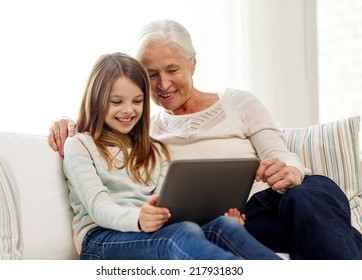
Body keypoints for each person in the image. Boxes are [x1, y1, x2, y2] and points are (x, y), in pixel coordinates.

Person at [50, 20, 362, 260]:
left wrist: (290, 171)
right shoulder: (148, 134)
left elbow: (281, 153)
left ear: (193, 64)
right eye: (152, 75)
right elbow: (108, 122)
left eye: (173, 69)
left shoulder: (238, 103)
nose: (164, 83)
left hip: (283, 197)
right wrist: (73, 123)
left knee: (307, 195)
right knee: (327, 232)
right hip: (241, 218)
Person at [62, 52, 281, 260]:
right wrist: (138, 219)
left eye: (137, 101)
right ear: (95, 100)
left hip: (150, 232)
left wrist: (214, 218)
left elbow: (168, 206)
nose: (128, 110)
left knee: (225, 226)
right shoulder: (80, 145)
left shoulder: (155, 151)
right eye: (117, 102)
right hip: (100, 239)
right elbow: (99, 207)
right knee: (178, 235)